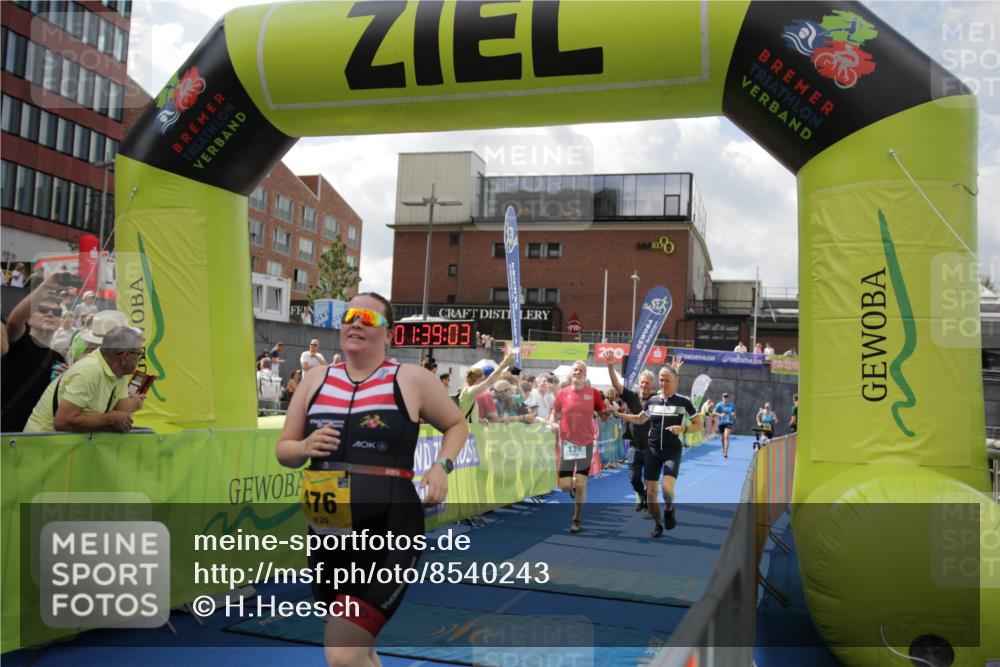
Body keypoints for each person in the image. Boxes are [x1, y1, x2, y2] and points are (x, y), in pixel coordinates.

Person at [276, 292, 467, 667]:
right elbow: (284, 450)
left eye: (368, 317)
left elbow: (457, 423)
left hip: (390, 533)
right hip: (328, 539)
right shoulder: (315, 380)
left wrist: (442, 466)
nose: (356, 322)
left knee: (343, 652)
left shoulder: (412, 379)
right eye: (350, 315)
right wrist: (305, 447)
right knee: (361, 652)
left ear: (389, 333)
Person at [616, 365, 699, 537]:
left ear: (675, 382)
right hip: (652, 451)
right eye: (661, 380)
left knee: (667, 488)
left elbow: (699, 425)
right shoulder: (652, 401)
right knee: (651, 493)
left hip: (671, 451)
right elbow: (639, 419)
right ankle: (657, 524)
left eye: (666, 380)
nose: (662, 383)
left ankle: (669, 508)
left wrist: (683, 429)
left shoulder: (684, 402)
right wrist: (619, 414)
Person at [24, 326, 145, 433]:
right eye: (140, 354)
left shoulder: (119, 372)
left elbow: (122, 417)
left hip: (64, 449)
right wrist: (110, 418)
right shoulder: (90, 370)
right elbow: (63, 422)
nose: (141, 359)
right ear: (125, 356)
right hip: (41, 449)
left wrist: (115, 417)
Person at [1, 273, 69, 432]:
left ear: (60, 321)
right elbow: (14, 321)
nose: (50, 314)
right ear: (29, 319)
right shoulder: (19, 342)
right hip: (6, 432)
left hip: (35, 437)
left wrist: (67, 380)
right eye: (43, 309)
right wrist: (46, 287)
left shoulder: (58, 358)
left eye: (57, 313)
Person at [547, 360, 608, 534]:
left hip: (586, 444)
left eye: (581, 370)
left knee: (582, 485)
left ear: (585, 375)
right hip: (568, 444)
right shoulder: (562, 394)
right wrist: (552, 423)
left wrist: (606, 415)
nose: (578, 372)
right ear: (571, 373)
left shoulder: (593, 393)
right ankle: (572, 486)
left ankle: (576, 519)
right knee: (565, 486)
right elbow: (554, 413)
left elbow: (602, 413)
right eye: (575, 370)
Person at [603, 349, 656, 517]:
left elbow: (669, 389)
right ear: (639, 384)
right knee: (634, 478)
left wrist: (675, 371)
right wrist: (611, 367)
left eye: (647, 383)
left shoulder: (657, 400)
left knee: (649, 479)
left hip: (651, 447)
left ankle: (647, 504)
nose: (644, 385)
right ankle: (640, 493)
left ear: (652, 385)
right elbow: (616, 385)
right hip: (634, 446)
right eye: (642, 382)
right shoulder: (632, 397)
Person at [457, 354, 514, 422]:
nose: (483, 382)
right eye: (483, 380)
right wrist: (503, 364)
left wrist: (480, 420)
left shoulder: (464, 389)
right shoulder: (469, 390)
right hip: (467, 430)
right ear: (479, 379)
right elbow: (489, 381)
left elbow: (466, 412)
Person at [714, 392, 736, 458]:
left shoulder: (732, 405)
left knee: (726, 437)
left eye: (726, 396)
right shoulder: (719, 405)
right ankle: (724, 449)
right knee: (722, 438)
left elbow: (734, 414)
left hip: (728, 422)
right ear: (722, 397)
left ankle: (726, 451)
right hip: (721, 422)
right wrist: (720, 414)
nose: (725, 398)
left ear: (728, 398)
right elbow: (714, 412)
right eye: (724, 396)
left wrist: (733, 415)